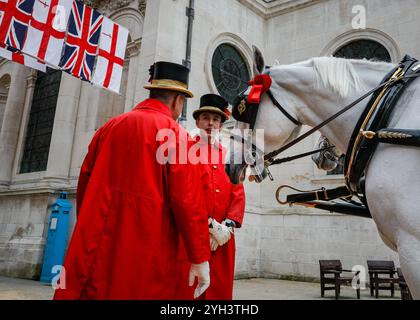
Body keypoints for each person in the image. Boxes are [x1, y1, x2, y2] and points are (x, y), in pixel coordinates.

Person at [53, 62, 211, 300]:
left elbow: (84, 183)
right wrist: (199, 256)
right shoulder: (177, 136)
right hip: (145, 246)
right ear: (178, 100)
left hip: (95, 239)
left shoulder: (109, 127)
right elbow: (187, 201)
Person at [176, 94, 246, 300]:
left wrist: (228, 226)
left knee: (220, 291)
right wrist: (207, 227)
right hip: (191, 237)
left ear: (221, 124)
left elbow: (238, 192)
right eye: (205, 117)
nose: (210, 123)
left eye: (216, 119)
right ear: (197, 122)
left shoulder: (229, 156)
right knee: (187, 293)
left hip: (223, 240)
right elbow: (184, 192)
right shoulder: (184, 151)